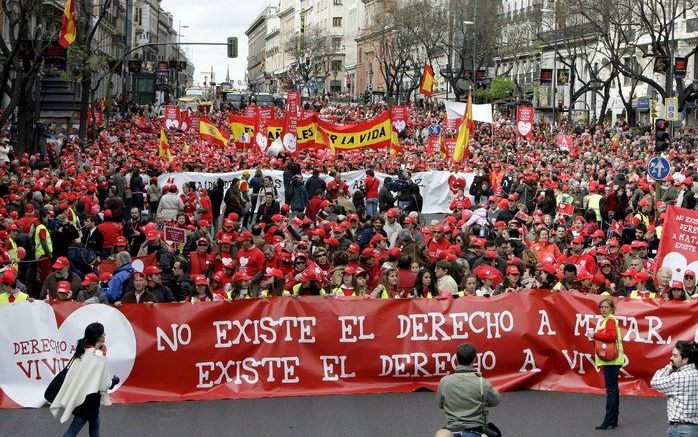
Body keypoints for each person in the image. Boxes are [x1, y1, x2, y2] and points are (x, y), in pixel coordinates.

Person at [50, 322, 119, 437]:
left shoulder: (81, 351)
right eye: (103, 333)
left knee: (95, 423)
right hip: (89, 400)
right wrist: (113, 382)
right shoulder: (98, 356)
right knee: (74, 430)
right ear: (98, 337)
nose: (105, 335)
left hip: (81, 397)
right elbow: (105, 384)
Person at [435, 342, 501, 436]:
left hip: (452, 429)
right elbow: (495, 401)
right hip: (477, 428)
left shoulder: (444, 382)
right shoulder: (482, 383)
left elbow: (440, 404)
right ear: (474, 359)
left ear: (457, 359)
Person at [585, 297, 625, 430]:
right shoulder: (606, 320)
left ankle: (608, 420)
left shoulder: (609, 320)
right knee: (614, 389)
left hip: (612, 360)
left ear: (612, 309)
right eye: (601, 307)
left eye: (606, 307)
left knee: (611, 390)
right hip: (613, 359)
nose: (603, 309)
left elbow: (611, 336)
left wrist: (594, 335)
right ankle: (613, 419)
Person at [650, 340, 698, 437]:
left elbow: (654, 382)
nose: (671, 358)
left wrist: (669, 367)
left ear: (685, 360)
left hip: (678, 430)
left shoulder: (677, 378)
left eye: (675, 356)